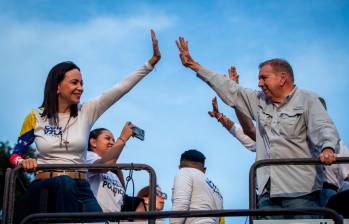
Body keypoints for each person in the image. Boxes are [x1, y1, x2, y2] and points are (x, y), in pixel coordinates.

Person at [9, 30, 161, 222]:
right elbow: (15, 155)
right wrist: (23, 162)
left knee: (97, 220)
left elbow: (119, 89)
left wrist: (150, 64)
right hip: (46, 188)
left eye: (82, 83)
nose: (80, 88)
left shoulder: (86, 111)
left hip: (80, 187)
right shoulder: (35, 116)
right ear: (57, 86)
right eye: (74, 82)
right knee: (64, 185)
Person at [176, 36, 340, 213]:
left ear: (282, 78)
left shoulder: (308, 100)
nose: (259, 83)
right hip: (267, 193)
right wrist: (194, 66)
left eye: (264, 78)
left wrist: (328, 148)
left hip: (301, 193)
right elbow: (231, 90)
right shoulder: (259, 100)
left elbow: (324, 127)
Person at [86, 124, 134, 212]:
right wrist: (123, 138)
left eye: (113, 140)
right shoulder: (87, 156)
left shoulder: (114, 172)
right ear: (93, 142)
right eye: (107, 138)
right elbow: (103, 165)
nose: (112, 143)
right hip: (95, 218)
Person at [170, 149, 224, 224]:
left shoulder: (184, 172)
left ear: (179, 167)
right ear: (204, 170)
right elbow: (221, 221)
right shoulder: (218, 192)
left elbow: (181, 204)